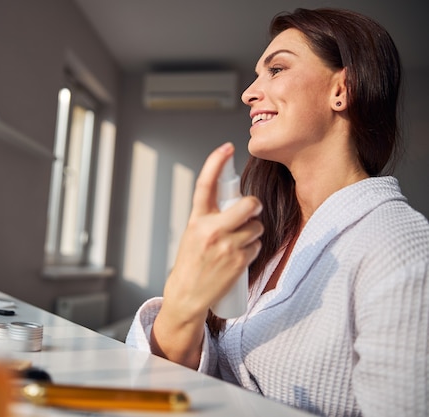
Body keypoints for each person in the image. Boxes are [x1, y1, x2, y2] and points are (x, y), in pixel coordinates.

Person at [125, 7, 429, 417]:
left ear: (342, 89)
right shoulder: (275, 234)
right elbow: (204, 377)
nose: (249, 93)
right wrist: (183, 298)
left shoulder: (402, 247)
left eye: (276, 69)